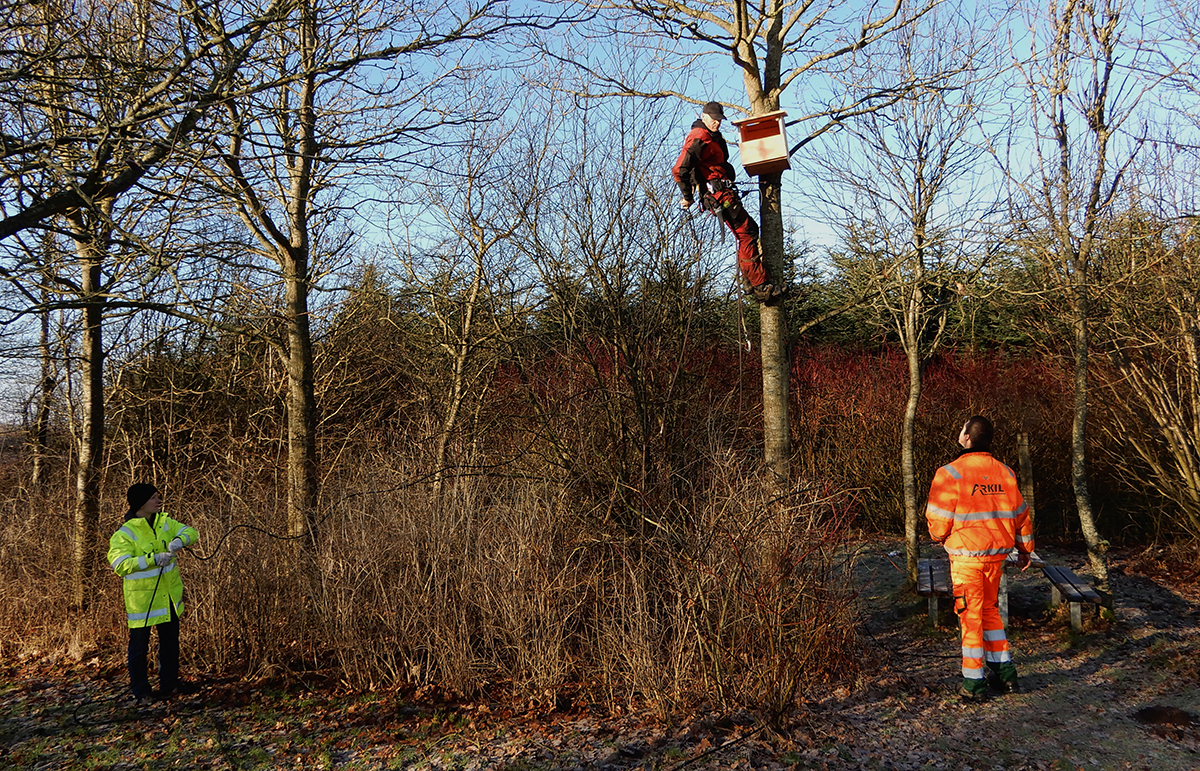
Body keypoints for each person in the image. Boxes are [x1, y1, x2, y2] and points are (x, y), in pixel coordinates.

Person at [925, 416, 1034, 701]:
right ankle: (1006, 675)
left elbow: (938, 522)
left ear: (966, 437)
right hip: (996, 556)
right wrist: (1025, 549)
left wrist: (940, 537)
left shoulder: (950, 473)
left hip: (966, 558)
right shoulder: (1005, 473)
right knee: (989, 612)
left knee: (970, 617)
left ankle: (974, 685)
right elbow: (1021, 515)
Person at [672, 101, 784, 303]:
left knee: (747, 231)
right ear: (704, 116)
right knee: (747, 231)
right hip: (719, 198)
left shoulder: (713, 137)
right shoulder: (699, 137)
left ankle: (751, 281)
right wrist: (687, 197)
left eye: (719, 120)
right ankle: (760, 285)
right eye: (713, 119)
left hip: (723, 194)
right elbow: (680, 170)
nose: (717, 123)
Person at [107, 483, 200, 704]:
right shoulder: (125, 534)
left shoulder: (164, 522)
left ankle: (169, 684)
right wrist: (152, 560)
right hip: (143, 602)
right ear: (141, 503)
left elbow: (191, 532)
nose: (158, 501)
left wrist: (180, 541)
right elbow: (120, 565)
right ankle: (141, 690)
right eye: (153, 498)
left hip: (168, 597)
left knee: (170, 643)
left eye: (158, 497)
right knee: (139, 648)